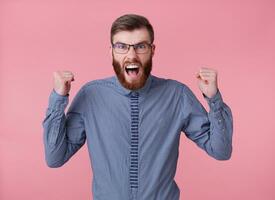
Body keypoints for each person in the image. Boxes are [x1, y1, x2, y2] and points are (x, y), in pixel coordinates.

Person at [43, 14, 233, 200]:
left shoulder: (177, 95)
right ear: (111, 52)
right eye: (122, 46)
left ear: (152, 50)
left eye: (140, 46)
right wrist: (59, 98)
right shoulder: (90, 95)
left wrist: (213, 98)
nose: (131, 55)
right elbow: (55, 158)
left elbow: (221, 151)